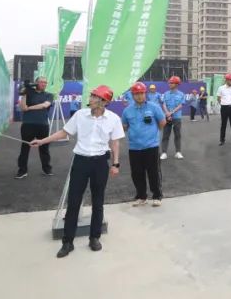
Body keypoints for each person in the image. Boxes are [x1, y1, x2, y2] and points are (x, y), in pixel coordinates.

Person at [32, 85, 123, 258]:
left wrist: (115, 164)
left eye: (95, 97)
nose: (91, 99)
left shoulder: (113, 119)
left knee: (98, 202)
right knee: (73, 201)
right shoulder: (80, 115)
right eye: (91, 96)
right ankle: (67, 242)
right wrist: (43, 141)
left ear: (104, 101)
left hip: (100, 163)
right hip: (80, 162)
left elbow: (115, 142)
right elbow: (64, 132)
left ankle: (94, 238)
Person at [121, 81, 166, 207]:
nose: (139, 96)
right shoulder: (127, 111)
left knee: (153, 172)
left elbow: (162, 122)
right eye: (137, 94)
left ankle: (157, 196)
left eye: (142, 93)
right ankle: (141, 196)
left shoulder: (154, 107)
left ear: (145, 93)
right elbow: (124, 126)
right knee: (136, 173)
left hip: (151, 146)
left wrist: (153, 134)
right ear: (132, 95)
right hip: (134, 147)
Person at [16, 76, 54, 179]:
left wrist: (29, 108)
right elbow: (23, 108)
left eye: (45, 82)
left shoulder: (49, 95)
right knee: (25, 148)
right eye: (41, 82)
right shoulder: (29, 93)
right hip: (28, 124)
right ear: (36, 83)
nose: (43, 84)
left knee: (44, 148)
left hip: (43, 125)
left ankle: (46, 169)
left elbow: (44, 105)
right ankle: (22, 171)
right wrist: (24, 94)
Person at [160, 76, 186, 160]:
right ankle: (164, 152)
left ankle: (178, 152)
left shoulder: (181, 94)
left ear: (177, 84)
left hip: (176, 117)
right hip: (167, 117)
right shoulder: (166, 94)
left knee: (177, 135)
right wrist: (167, 113)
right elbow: (164, 104)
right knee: (165, 135)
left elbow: (181, 105)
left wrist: (171, 112)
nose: (170, 84)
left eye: (172, 83)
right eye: (169, 82)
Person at [217, 73, 231, 145]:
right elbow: (218, 98)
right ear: (226, 80)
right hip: (224, 108)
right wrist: (224, 103)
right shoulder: (221, 88)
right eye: (230, 80)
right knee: (223, 124)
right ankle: (222, 140)